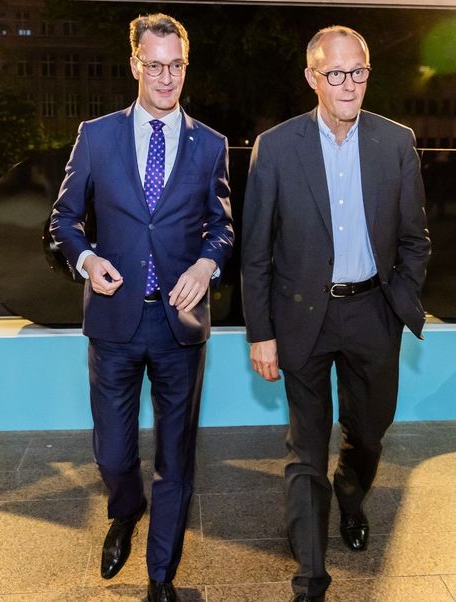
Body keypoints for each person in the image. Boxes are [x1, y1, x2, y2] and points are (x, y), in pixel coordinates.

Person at [240, 25, 430, 602]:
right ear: (312, 78)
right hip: (302, 317)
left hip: (374, 310)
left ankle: (352, 492)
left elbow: (415, 240)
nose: (349, 85)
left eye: (359, 72)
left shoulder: (396, 142)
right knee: (305, 446)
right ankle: (311, 579)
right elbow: (256, 252)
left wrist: (400, 303)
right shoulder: (275, 148)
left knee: (369, 431)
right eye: (335, 73)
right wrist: (261, 334)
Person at [50, 13, 233, 602]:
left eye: (175, 66)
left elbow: (223, 229)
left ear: (185, 66)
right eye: (154, 65)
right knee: (112, 451)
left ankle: (161, 576)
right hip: (114, 321)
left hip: (179, 324)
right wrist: (85, 261)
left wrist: (207, 266)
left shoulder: (210, 144)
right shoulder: (97, 136)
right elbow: (63, 220)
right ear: (135, 65)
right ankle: (125, 512)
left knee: (176, 457)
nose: (165, 78)